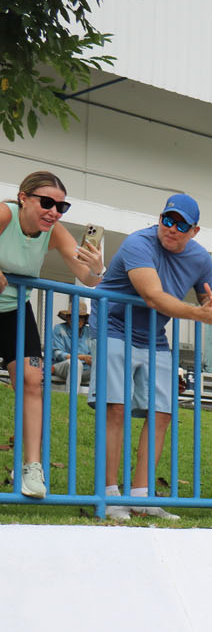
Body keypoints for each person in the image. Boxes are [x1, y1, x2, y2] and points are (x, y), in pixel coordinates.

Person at [93, 194, 212, 520]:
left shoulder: (201, 259)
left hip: (154, 336)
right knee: (114, 408)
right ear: (159, 219)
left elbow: (208, 299)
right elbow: (153, 296)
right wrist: (200, 314)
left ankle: (141, 496)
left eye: (180, 224)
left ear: (194, 230)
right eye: (166, 220)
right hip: (113, 326)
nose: (171, 228)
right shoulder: (137, 244)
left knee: (162, 413)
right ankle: (109, 495)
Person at [0, 171, 105, 498]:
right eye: (47, 203)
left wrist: (97, 267)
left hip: (14, 310)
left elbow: (88, 279)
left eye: (62, 207)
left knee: (33, 379)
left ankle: (31, 468)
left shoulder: (54, 232)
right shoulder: (5, 214)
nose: (54, 212)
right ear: (23, 198)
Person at [50, 300, 95, 385]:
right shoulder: (59, 328)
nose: (76, 319)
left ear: (85, 319)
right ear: (68, 317)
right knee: (76, 364)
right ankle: (72, 398)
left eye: (80, 317)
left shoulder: (89, 332)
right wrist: (82, 357)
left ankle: (98, 398)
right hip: (62, 366)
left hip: (85, 369)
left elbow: (94, 354)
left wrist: (92, 360)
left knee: (105, 368)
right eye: (73, 316)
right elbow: (57, 354)